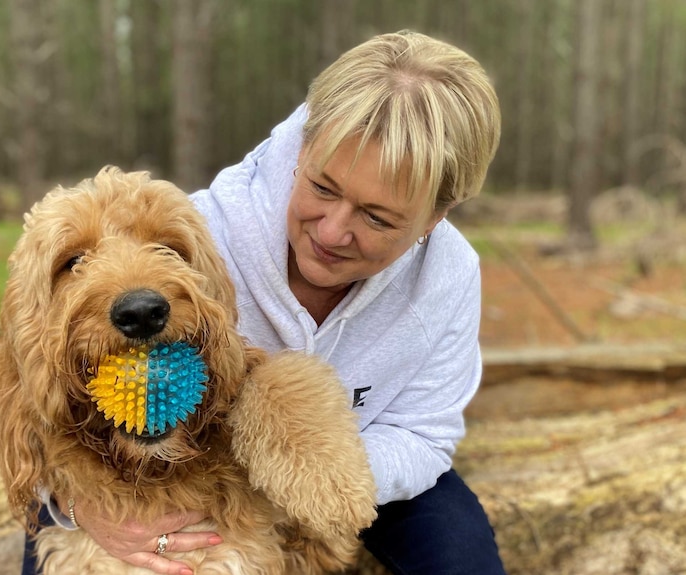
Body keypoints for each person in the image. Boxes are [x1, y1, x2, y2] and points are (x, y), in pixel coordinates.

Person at [25, 29, 505, 575]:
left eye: (377, 217)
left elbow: (423, 433)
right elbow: (47, 375)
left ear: (434, 218)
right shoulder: (197, 233)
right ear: (304, 149)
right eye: (323, 188)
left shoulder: (450, 278)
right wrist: (79, 506)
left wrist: (314, 471)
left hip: (357, 457)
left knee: (462, 556)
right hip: (172, 454)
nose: (332, 230)